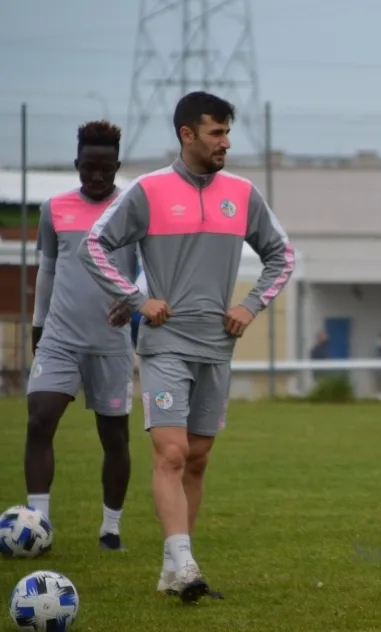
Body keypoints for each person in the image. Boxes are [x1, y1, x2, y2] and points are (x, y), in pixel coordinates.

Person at [78, 91, 296, 604]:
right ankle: (187, 563)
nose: (225, 142)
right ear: (187, 134)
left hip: (216, 347)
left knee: (197, 458)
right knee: (171, 452)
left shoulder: (242, 194)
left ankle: (172, 568)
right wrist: (135, 299)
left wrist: (251, 305)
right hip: (166, 344)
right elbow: (95, 246)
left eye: (226, 132)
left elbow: (280, 256)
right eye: (216, 133)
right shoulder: (149, 191)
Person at [26, 120, 137, 551]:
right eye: (88, 167)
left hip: (111, 342)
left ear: (116, 166)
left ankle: (110, 530)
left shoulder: (131, 208)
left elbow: (151, 266)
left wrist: (135, 299)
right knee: (39, 421)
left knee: (114, 438)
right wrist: (38, 325)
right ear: (76, 163)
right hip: (60, 337)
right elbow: (49, 270)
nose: (95, 176)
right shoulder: (54, 209)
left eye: (105, 169)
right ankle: (39, 528)